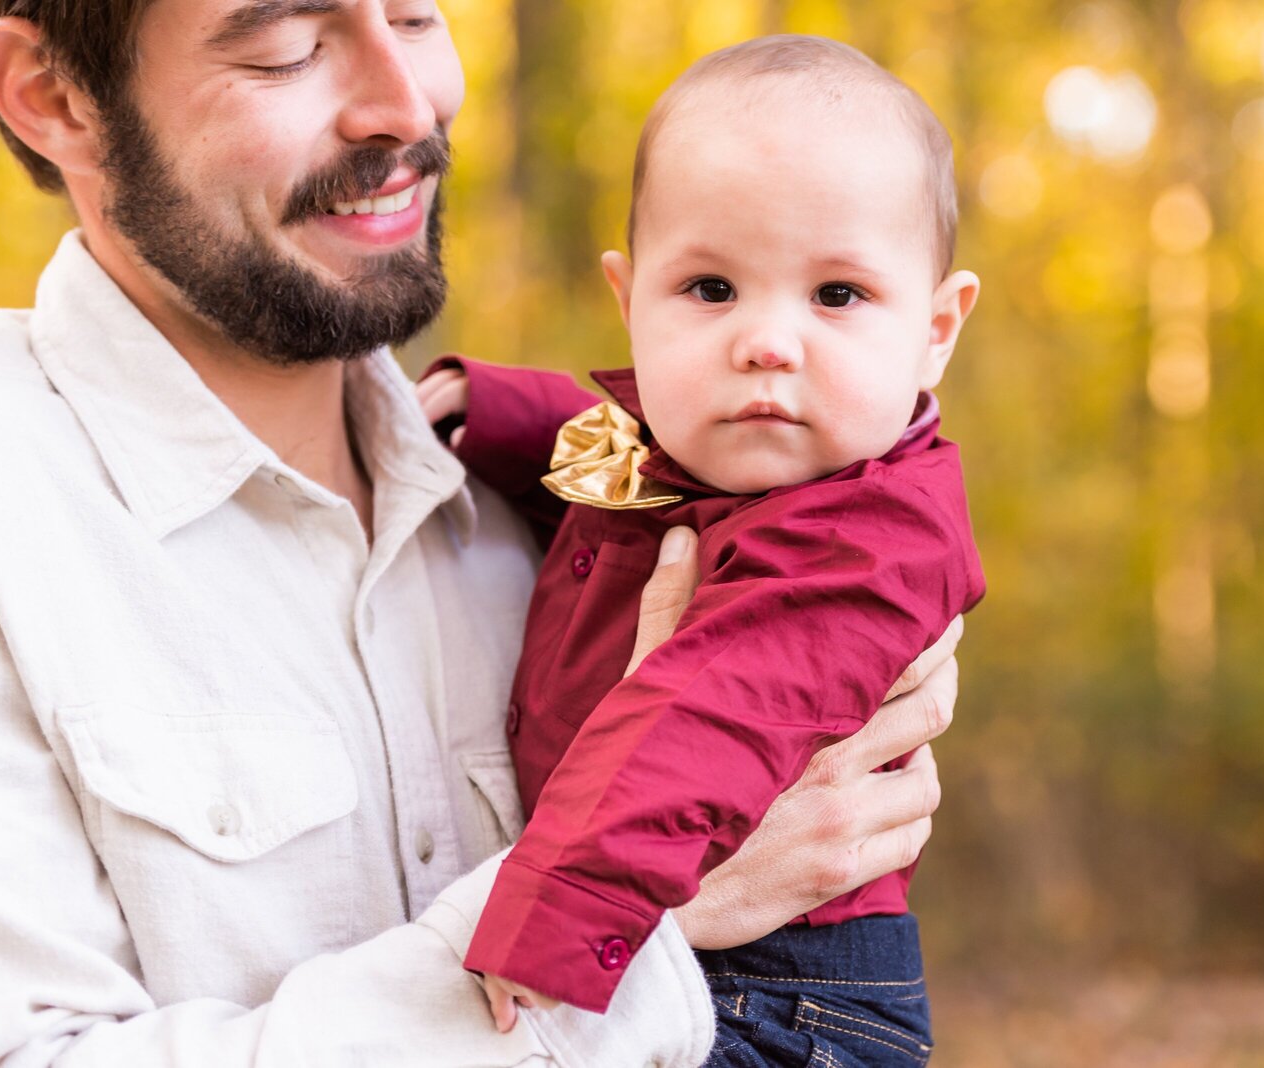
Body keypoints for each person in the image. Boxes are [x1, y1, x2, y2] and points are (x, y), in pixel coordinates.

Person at [0, 4, 959, 1065]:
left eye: (417, 14)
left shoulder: (555, 498)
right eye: (286, 45)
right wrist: (650, 935)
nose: (404, 101)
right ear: (54, 97)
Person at [418, 36, 983, 1066]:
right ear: (629, 301)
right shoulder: (708, 454)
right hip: (653, 939)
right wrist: (496, 413)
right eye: (711, 289)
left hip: (779, 1002)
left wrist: (555, 911)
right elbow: (623, 445)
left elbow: (707, 711)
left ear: (937, 327)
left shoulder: (873, 536)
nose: (766, 340)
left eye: (838, 296)